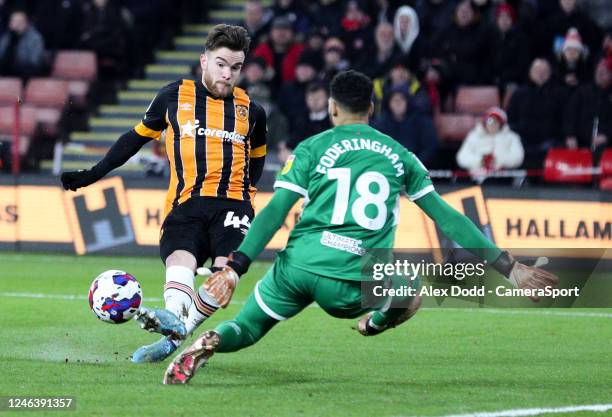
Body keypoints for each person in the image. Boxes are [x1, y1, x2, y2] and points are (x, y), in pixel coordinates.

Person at [162, 70, 559, 385]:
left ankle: (211, 341)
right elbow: (448, 217)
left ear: (332, 108)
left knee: (248, 326)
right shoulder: (400, 156)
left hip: (297, 266)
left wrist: (236, 265)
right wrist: (510, 266)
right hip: (351, 280)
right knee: (410, 289)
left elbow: (274, 210)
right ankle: (374, 323)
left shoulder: (312, 147)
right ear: (371, 108)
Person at [60, 24, 268, 363]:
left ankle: (179, 329)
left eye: (236, 67)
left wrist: (247, 197)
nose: (228, 74)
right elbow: (135, 138)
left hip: (233, 205)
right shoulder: (174, 96)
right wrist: (92, 174)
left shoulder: (253, 112)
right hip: (185, 203)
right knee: (180, 263)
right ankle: (175, 326)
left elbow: (257, 159)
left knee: (222, 278)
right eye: (221, 64)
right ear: (204, 60)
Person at [456, 107, 524, 178]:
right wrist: (481, 161)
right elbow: (462, 157)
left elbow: (517, 157)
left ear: (501, 124)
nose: (492, 125)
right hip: (476, 176)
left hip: (501, 177)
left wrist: (497, 160)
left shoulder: (512, 137)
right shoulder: (474, 136)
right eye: (490, 121)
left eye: (496, 122)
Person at [0, 10, 45, 78]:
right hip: (7, 69)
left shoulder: (35, 38)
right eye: (13, 21)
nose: (16, 24)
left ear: (26, 23)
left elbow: (34, 61)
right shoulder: (7, 37)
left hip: (26, 70)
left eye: (19, 21)